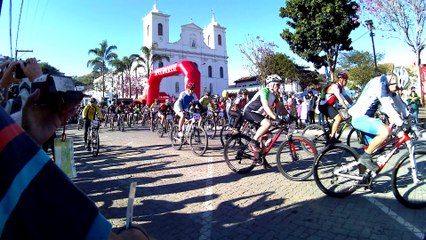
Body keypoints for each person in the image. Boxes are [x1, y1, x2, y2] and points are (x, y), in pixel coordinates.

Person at [0, 90, 150, 239]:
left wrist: (31, 141)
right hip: (88, 120)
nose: (92, 104)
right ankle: (86, 141)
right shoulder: (87, 108)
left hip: (93, 121)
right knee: (87, 130)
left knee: (94, 129)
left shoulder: (95, 107)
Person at [348, 67, 410, 171]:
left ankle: (364, 176)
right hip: (359, 117)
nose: (397, 90)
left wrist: (408, 116)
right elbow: (386, 104)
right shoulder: (379, 83)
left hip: (366, 118)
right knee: (385, 132)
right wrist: (400, 122)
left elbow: (399, 104)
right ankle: (365, 158)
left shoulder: (389, 85)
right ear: (393, 79)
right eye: (398, 87)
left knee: (378, 147)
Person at [243, 74, 287, 169]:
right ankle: (253, 141)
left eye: (279, 85)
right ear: (271, 85)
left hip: (257, 114)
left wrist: (290, 116)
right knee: (267, 123)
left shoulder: (274, 95)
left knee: (266, 137)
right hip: (249, 112)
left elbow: (281, 107)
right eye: (278, 85)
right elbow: (266, 107)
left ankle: (261, 158)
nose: (279, 87)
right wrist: (276, 118)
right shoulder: (264, 91)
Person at [318, 72, 353, 144]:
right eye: (346, 80)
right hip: (324, 106)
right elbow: (340, 99)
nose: (346, 82)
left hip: (329, 106)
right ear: (341, 80)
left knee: (341, 117)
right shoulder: (335, 87)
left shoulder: (341, 88)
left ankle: (331, 131)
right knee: (338, 118)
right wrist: (346, 107)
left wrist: (354, 105)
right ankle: (332, 137)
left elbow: (346, 97)